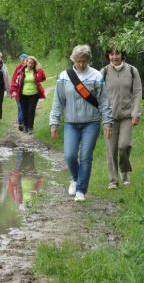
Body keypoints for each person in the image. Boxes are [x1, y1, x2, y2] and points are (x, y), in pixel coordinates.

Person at [49, 45, 113, 202]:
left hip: (91, 123)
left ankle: (81, 190)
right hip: (71, 123)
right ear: (73, 60)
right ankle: (76, 179)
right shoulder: (64, 76)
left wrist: (107, 121)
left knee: (85, 157)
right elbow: (58, 102)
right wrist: (54, 123)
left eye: (84, 61)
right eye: (78, 61)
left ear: (89, 60)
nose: (81, 65)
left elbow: (104, 102)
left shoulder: (97, 76)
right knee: (69, 155)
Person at [101, 46, 142, 189]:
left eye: (117, 53)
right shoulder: (104, 72)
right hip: (109, 118)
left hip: (126, 116)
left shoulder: (132, 71)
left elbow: (137, 93)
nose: (114, 57)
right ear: (108, 56)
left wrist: (135, 113)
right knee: (111, 150)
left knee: (124, 146)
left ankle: (124, 171)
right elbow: (99, 95)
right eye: (111, 54)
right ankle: (113, 180)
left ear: (122, 54)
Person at [10, 56, 46, 134]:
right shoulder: (21, 72)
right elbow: (15, 82)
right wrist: (13, 91)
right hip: (23, 94)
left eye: (32, 63)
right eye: (29, 63)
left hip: (34, 94)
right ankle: (25, 126)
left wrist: (40, 69)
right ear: (26, 62)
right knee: (24, 111)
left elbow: (40, 79)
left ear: (34, 64)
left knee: (31, 111)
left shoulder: (36, 72)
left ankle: (30, 127)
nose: (30, 65)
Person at [10, 54, 28, 131]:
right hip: (18, 92)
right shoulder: (18, 69)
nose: (23, 61)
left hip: (28, 92)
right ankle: (21, 123)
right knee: (20, 107)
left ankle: (26, 124)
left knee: (26, 108)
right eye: (22, 59)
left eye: (25, 59)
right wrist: (13, 91)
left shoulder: (31, 69)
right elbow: (14, 80)